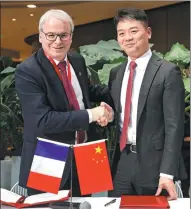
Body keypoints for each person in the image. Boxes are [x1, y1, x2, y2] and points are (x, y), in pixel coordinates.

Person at [15, 9, 113, 196]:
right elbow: (42, 120)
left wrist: (115, 96)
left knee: (88, 204)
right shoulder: (28, 70)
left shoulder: (77, 60)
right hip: (48, 155)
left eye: (63, 35)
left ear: (71, 37)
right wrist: (92, 115)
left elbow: (85, 93)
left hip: (87, 151)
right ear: (41, 36)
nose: (58, 41)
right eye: (51, 35)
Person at [106, 8, 187, 200]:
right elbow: (118, 115)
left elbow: (174, 127)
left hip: (155, 166)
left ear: (148, 32)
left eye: (134, 31)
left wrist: (167, 173)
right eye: (121, 33)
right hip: (122, 163)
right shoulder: (116, 73)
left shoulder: (167, 72)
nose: (128, 38)